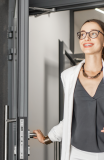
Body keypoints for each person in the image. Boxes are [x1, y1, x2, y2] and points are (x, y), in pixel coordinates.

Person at [33, 19, 104, 160]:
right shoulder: (68, 76)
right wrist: (47, 138)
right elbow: (70, 118)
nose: (87, 38)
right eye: (82, 34)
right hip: (77, 153)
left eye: (93, 33)